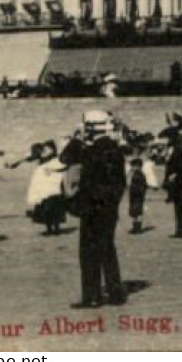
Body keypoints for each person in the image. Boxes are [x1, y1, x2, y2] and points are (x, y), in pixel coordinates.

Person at [70, 110, 126, 308]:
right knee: (107, 249)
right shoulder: (115, 150)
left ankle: (92, 296)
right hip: (109, 209)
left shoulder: (90, 150)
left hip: (92, 208)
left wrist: (76, 138)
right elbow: (119, 184)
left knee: (88, 252)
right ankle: (115, 292)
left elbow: (65, 158)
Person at [127, 155, 149, 235]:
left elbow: (143, 186)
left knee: (138, 212)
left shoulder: (139, 174)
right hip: (135, 195)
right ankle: (135, 227)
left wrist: (139, 192)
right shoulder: (137, 173)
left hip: (138, 195)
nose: (132, 168)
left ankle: (137, 228)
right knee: (134, 212)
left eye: (133, 166)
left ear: (138, 166)